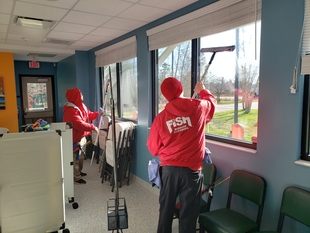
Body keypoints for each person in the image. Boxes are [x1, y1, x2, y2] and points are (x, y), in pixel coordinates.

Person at [147, 77, 216, 233]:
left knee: (166, 210)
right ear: (181, 89)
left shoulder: (160, 118)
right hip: (191, 172)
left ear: (165, 95)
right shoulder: (198, 107)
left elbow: (153, 149)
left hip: (169, 171)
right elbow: (211, 104)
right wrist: (202, 91)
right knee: (189, 214)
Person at [63, 88, 100, 184]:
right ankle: (76, 177)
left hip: (81, 137)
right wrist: (93, 127)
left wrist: (98, 114)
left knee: (81, 156)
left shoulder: (81, 106)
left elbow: (89, 115)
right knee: (74, 158)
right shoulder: (70, 110)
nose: (82, 96)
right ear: (76, 96)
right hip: (73, 138)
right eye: (80, 94)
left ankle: (79, 171)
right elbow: (79, 124)